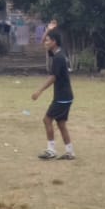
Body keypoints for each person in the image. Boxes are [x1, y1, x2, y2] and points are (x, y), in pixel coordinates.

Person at [32, 26, 75, 160]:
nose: (45, 42)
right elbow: (43, 44)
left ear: (54, 42)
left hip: (62, 97)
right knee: (61, 124)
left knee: (47, 120)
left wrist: (39, 91)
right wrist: (48, 31)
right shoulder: (59, 52)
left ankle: (51, 151)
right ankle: (70, 152)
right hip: (66, 96)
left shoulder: (58, 58)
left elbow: (53, 77)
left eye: (48, 40)